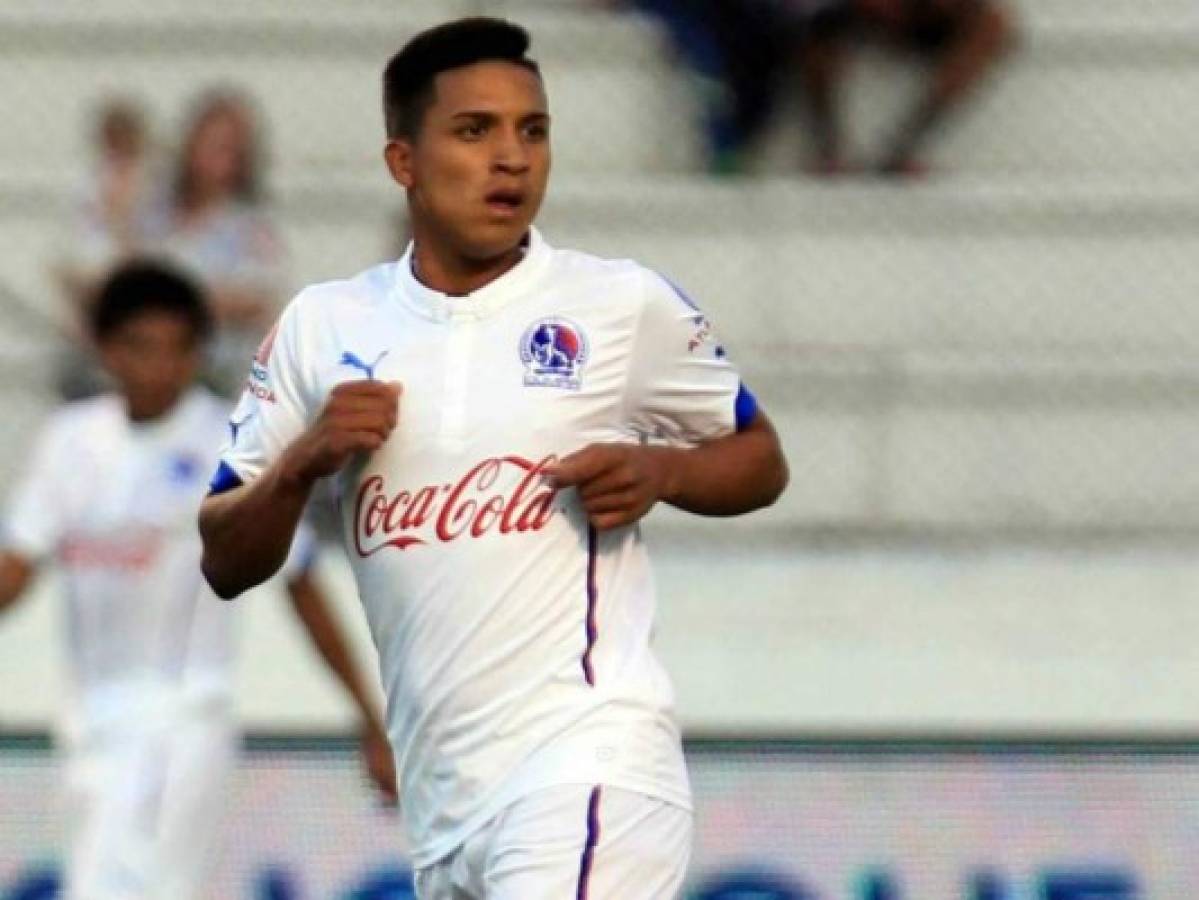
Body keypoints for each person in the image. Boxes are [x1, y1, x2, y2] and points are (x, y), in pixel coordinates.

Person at [199, 16, 788, 899]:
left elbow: (759, 458)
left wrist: (664, 471)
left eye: (532, 130)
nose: (510, 157)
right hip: (443, 813)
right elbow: (223, 558)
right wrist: (300, 463)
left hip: (588, 766)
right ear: (403, 161)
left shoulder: (616, 304)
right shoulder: (323, 328)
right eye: (475, 131)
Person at [0, 261, 396, 899]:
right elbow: (15, 571)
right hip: (90, 722)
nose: (159, 368)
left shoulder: (229, 443)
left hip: (183, 717)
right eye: (140, 347)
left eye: (176, 349)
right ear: (105, 350)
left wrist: (368, 718)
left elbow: (300, 587)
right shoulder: (70, 441)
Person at [145, 88, 288, 396]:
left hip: (217, 372)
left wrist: (171, 302)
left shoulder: (250, 226)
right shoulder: (153, 214)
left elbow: (254, 298)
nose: (219, 160)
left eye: (231, 150)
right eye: (211, 146)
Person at [797, 0, 1015, 175]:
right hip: (845, 15)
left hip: (928, 18)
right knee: (817, 19)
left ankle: (903, 148)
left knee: (994, 25)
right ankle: (829, 148)